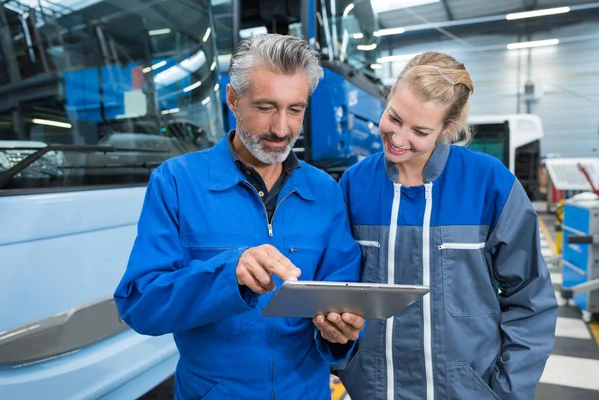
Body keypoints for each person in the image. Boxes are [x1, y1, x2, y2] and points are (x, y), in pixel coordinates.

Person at [114, 33, 365, 400]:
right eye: (265, 107)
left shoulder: (325, 191)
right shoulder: (177, 183)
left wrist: (339, 334)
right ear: (232, 98)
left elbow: (340, 302)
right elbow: (140, 304)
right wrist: (229, 273)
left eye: (295, 109)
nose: (282, 129)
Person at [337, 52, 558, 400]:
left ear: (447, 129)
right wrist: (347, 364)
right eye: (394, 117)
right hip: (375, 391)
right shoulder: (354, 185)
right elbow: (338, 288)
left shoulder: (491, 184)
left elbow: (531, 301)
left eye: (420, 131)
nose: (398, 138)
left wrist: (505, 392)